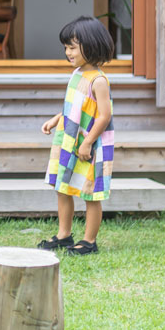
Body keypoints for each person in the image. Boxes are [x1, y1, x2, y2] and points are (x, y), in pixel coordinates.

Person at [38, 16, 115, 256]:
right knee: (63, 187)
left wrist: (88, 142)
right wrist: (56, 119)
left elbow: (104, 116)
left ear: (91, 45)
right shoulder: (77, 74)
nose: (68, 53)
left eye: (72, 47)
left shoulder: (98, 80)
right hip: (70, 141)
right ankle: (64, 235)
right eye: (66, 48)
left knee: (90, 192)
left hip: (88, 144)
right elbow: (74, 106)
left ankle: (89, 241)